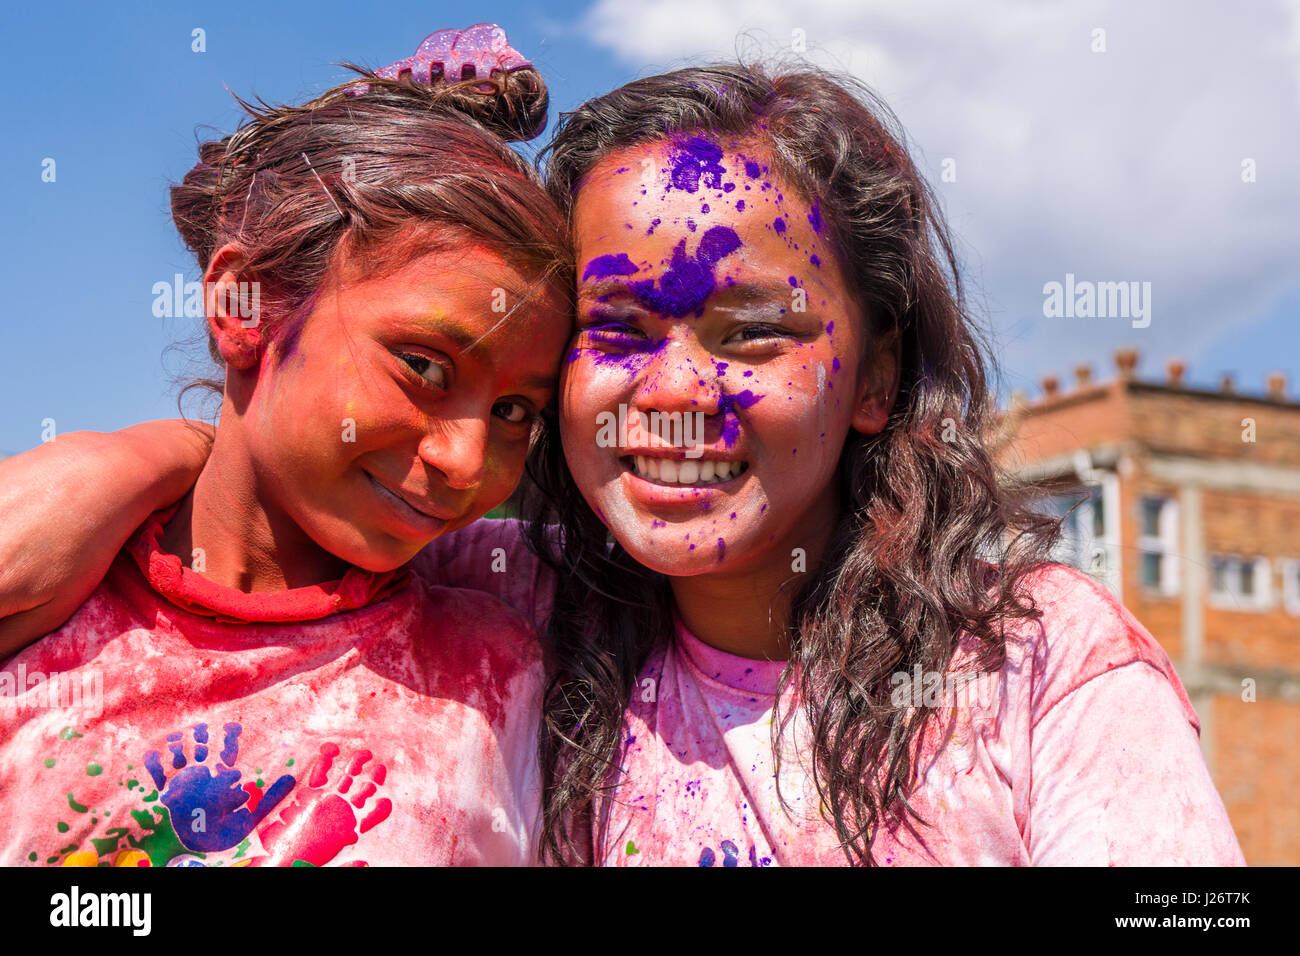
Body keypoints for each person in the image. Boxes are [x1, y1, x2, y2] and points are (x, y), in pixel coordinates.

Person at [0, 61, 1244, 867]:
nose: (674, 390)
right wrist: (141, 459)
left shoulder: (1037, 660)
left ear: (874, 377)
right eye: (616, 330)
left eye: (752, 330)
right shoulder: (512, 603)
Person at [0, 25, 574, 867]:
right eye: (423, 366)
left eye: (518, 411)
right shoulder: (38, 616)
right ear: (243, 306)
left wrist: (148, 457)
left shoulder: (513, 671)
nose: (465, 461)